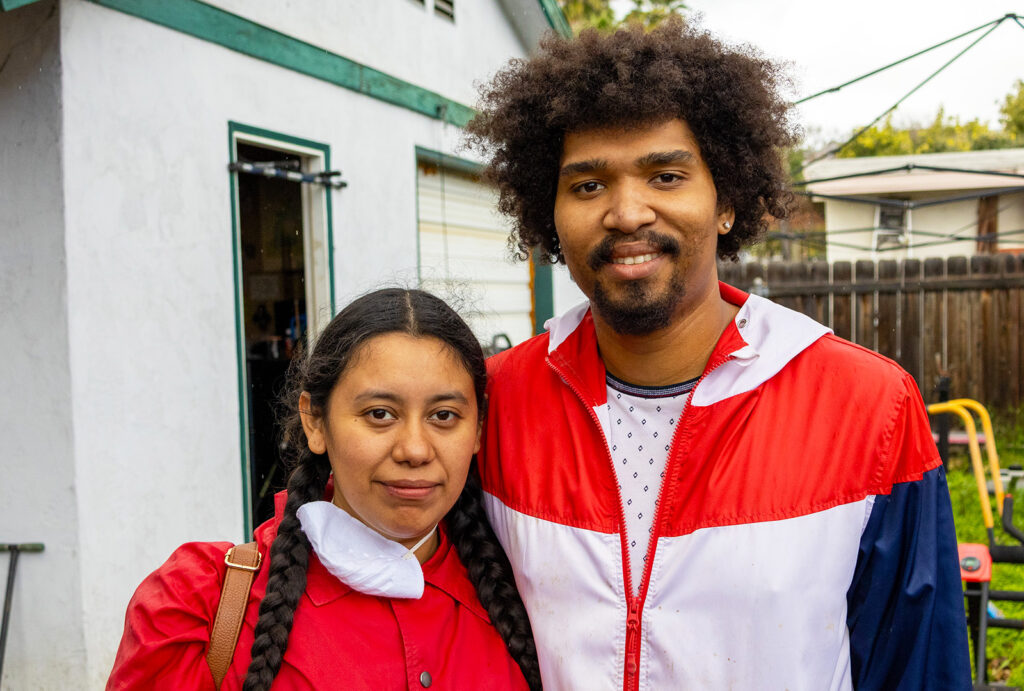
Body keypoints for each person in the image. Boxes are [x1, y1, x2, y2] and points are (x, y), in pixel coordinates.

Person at [466, 19, 971, 691]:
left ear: (727, 198)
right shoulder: (491, 403)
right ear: (548, 210)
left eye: (666, 175)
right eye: (587, 185)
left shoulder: (870, 407)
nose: (626, 212)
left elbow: (918, 668)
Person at [107, 289, 541, 690]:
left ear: (478, 428)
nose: (414, 449)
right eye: (379, 414)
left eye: (444, 416)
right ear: (315, 421)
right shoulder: (198, 604)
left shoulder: (528, 592)